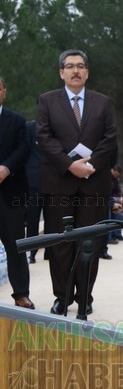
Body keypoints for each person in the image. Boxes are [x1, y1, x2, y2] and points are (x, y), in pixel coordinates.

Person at [36, 49, 117, 317]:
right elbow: (45, 138)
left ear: (87, 72)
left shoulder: (102, 103)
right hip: (59, 183)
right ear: (61, 72)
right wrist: (70, 165)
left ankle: (85, 296)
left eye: (80, 66)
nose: (75, 70)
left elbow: (109, 138)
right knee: (60, 245)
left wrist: (90, 165)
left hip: (93, 184)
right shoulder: (47, 101)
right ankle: (62, 296)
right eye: (69, 66)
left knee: (88, 243)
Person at [0, 76, 32, 309]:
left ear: (4, 91)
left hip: (10, 194)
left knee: (16, 246)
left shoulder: (17, 121)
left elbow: (24, 149)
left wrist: (6, 168)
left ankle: (21, 294)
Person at [25, 120, 45, 264]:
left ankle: (51, 251)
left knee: (54, 219)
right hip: (33, 181)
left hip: (54, 180)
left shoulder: (58, 125)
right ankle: (32, 251)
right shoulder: (29, 127)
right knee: (33, 219)